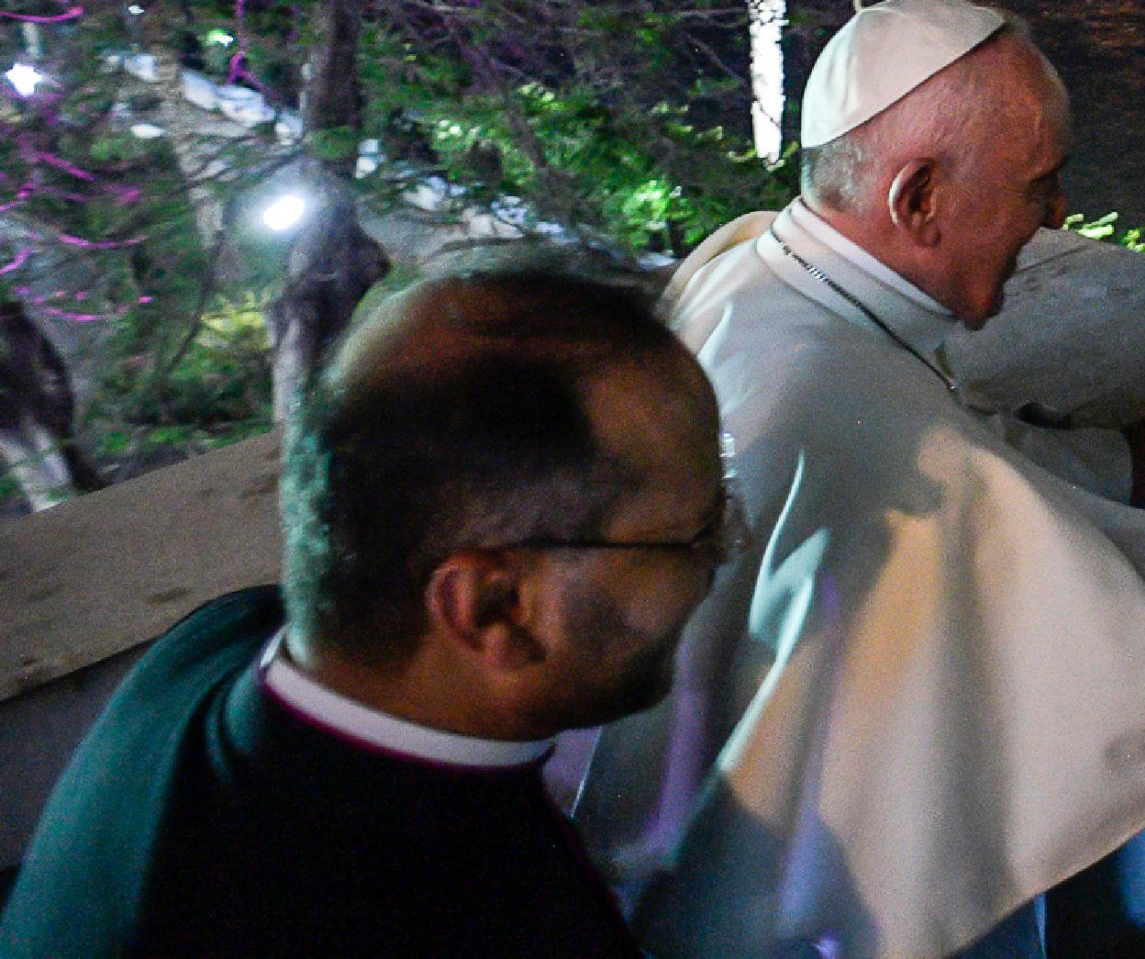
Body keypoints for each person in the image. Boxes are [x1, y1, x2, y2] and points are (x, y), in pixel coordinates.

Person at [577, 0, 1145, 959]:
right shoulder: (883, 443)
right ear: (917, 198)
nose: (1059, 215)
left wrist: (1108, 459)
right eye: (1039, 184)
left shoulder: (750, 280)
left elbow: (936, 426)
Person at [0, 259, 734, 959]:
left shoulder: (219, 641)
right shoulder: (437, 925)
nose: (732, 547)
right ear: (492, 607)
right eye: (696, 533)